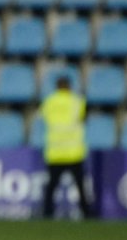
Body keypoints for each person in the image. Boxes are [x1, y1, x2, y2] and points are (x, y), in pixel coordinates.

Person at [39, 76, 92, 220]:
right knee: (80, 186)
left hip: (55, 152)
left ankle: (47, 213)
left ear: (57, 86)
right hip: (73, 152)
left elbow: (45, 118)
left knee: (51, 186)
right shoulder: (77, 102)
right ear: (69, 86)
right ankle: (86, 213)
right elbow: (84, 119)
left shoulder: (49, 102)